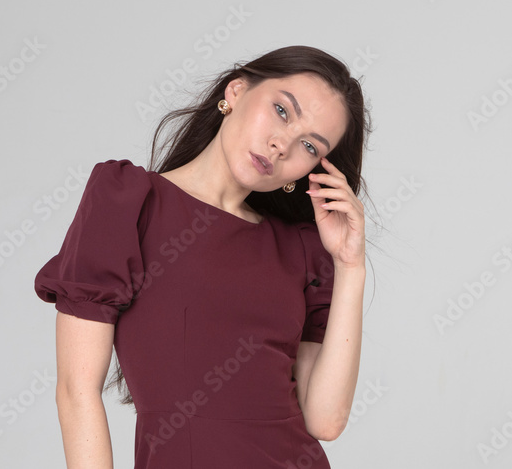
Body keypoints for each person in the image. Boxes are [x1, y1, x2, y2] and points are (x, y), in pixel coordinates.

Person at [34, 45, 373, 468]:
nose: (281, 145)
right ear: (235, 92)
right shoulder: (129, 203)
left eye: (308, 145)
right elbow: (76, 391)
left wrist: (350, 265)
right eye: (282, 111)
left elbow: (326, 420)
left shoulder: (300, 248)